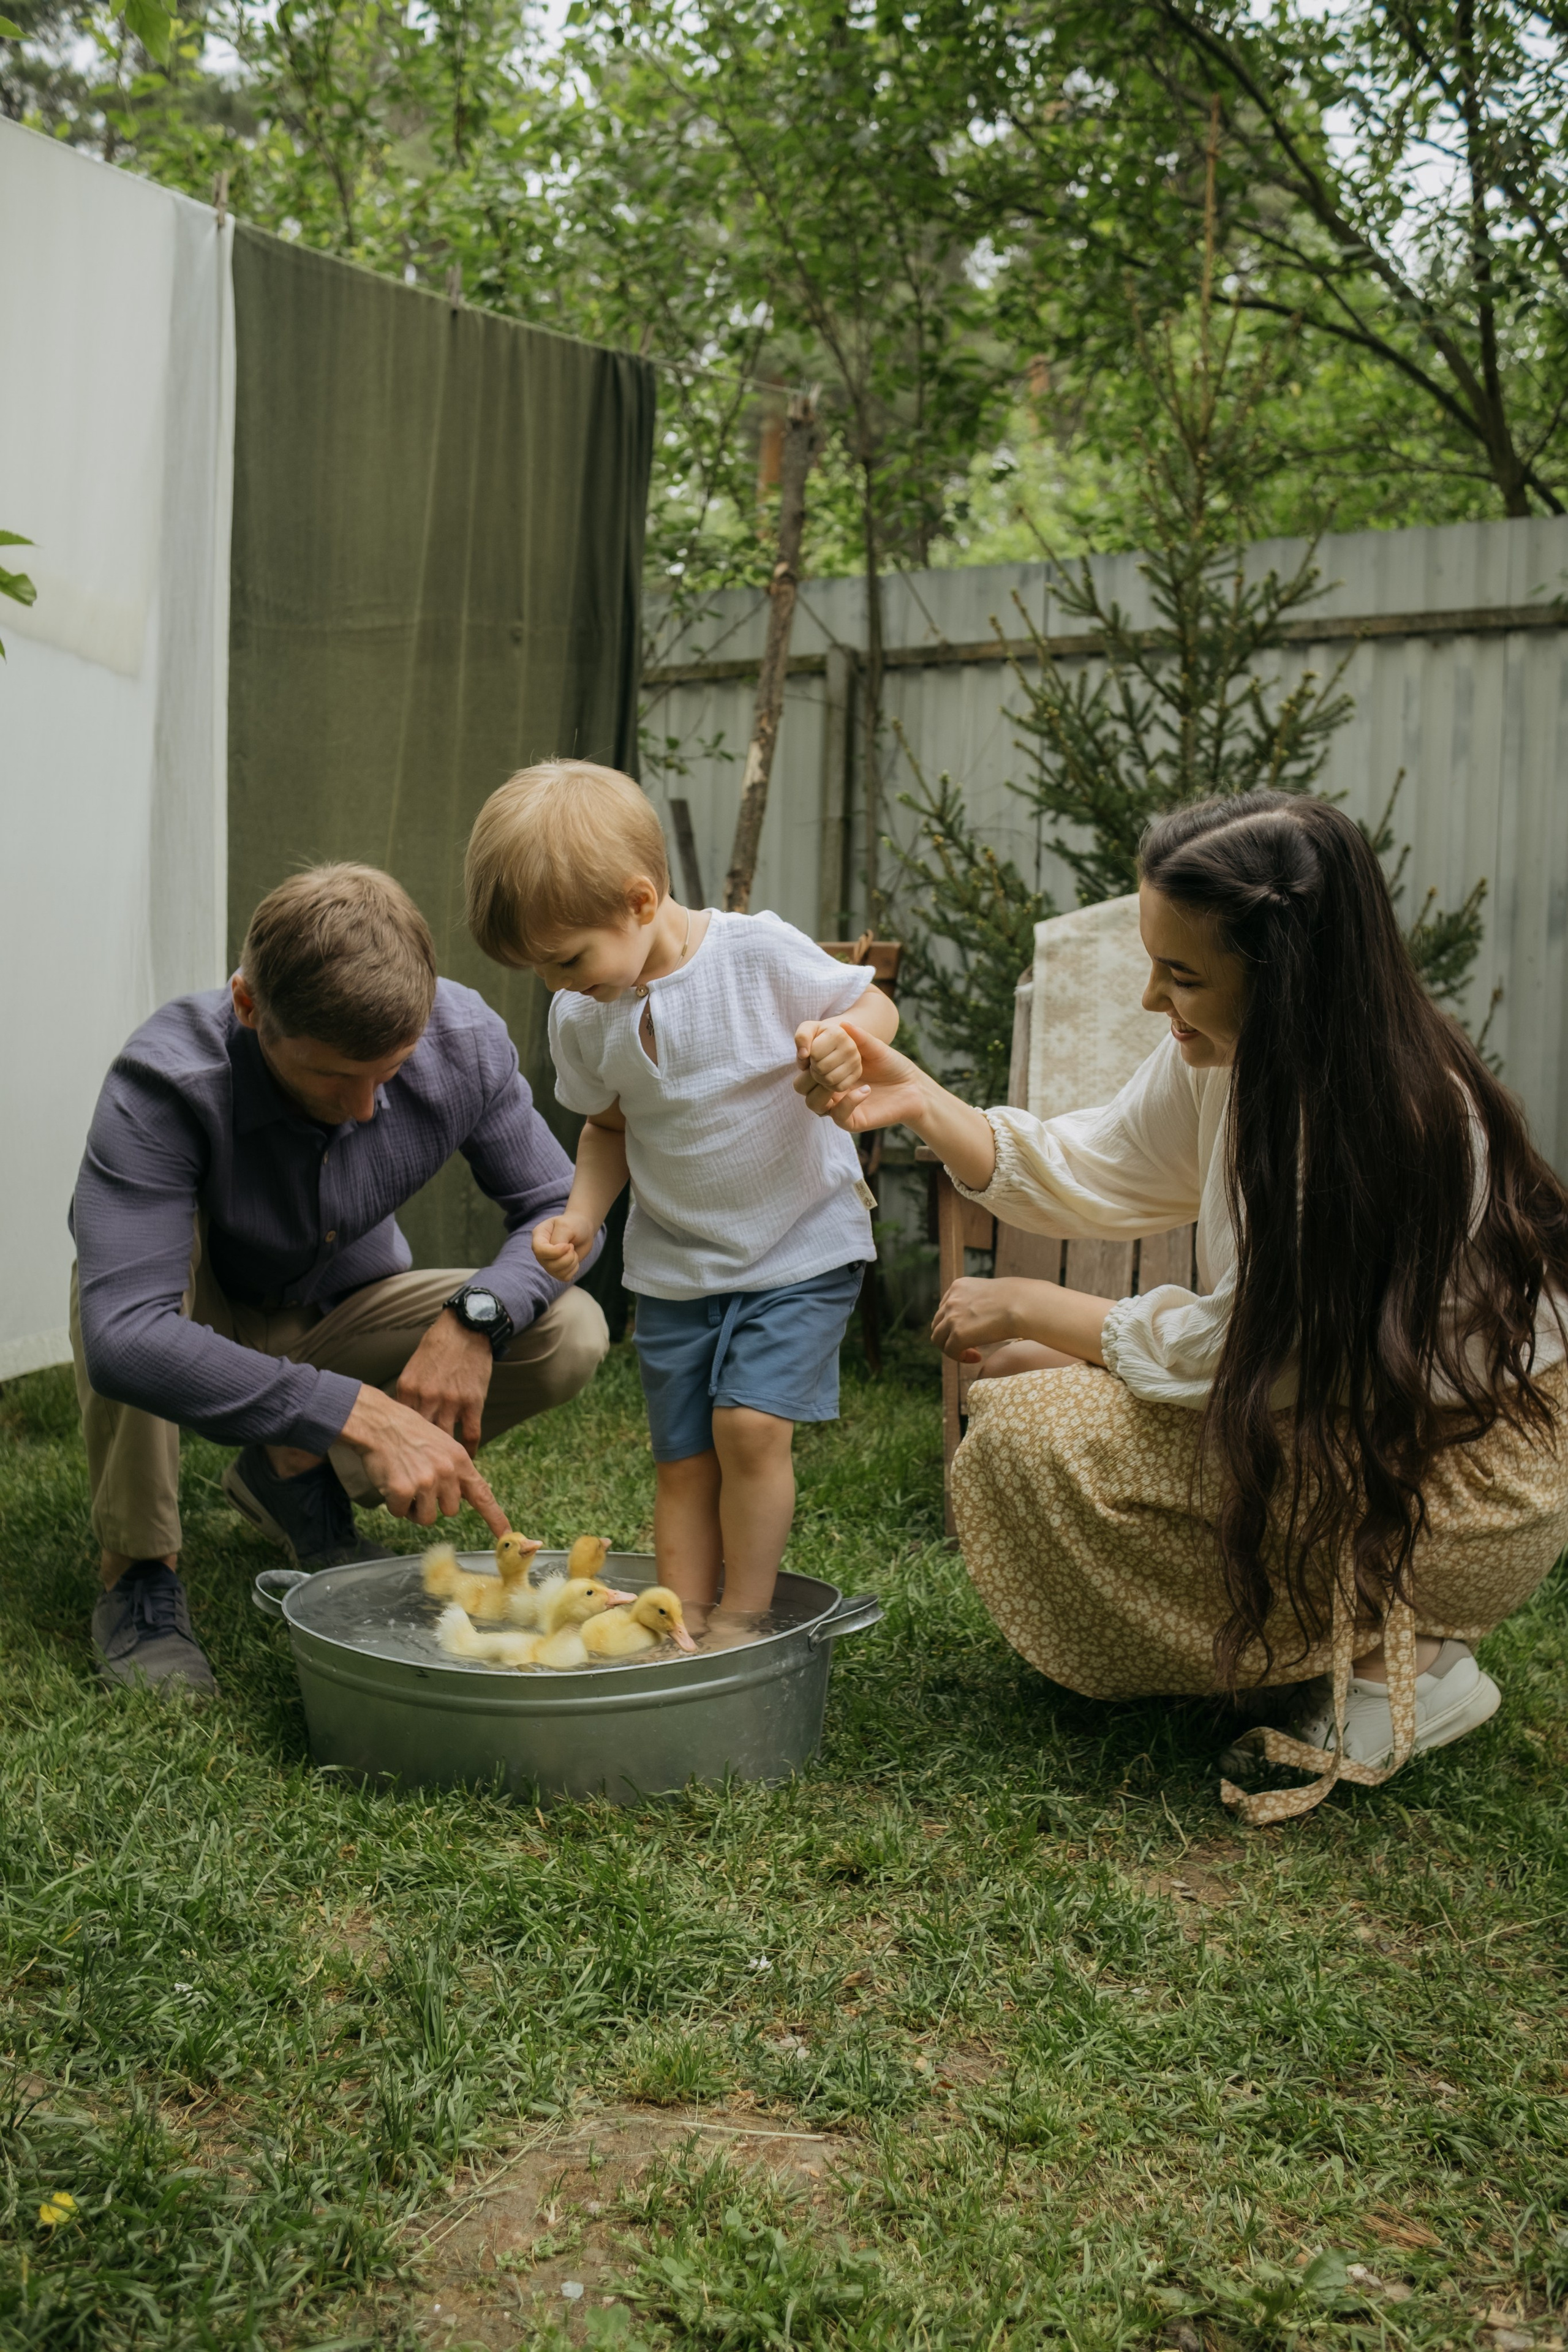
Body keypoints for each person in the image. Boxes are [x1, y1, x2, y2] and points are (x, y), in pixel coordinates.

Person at [804, 790, 1568, 1823]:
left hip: (1460, 1478)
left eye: (1184, 974)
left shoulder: (1381, 1122)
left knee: (1034, 1427)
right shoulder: (1246, 1055)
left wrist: (1037, 1304)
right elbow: (1101, 1166)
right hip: (1361, 1427)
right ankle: (1320, 1640)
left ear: (1287, 974)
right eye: (1153, 962)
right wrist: (926, 1100)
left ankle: (1406, 1657)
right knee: (1026, 1393)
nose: (1153, 999)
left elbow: (1256, 1353)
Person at [71, 864, 610, 1695]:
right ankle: (139, 1569)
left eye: (388, 1074)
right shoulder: (166, 1082)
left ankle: (293, 1478)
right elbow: (123, 1337)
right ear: (250, 1008)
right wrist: (348, 1411)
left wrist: (475, 1318)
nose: (364, 1109)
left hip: (338, 1308)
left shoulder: (460, 1040)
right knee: (116, 1295)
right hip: (195, 1316)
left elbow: (558, 1208)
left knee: (568, 1327)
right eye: (331, 1076)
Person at [462, 760, 900, 1626]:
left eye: (565, 959)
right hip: (675, 1268)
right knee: (684, 1459)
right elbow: (609, 1130)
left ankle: (742, 1618)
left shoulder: (756, 955)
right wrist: (582, 1216)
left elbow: (873, 1005)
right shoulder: (585, 1011)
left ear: (638, 899)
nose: (555, 983)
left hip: (797, 1245)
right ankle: (683, 1622)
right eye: (539, 969)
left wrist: (848, 1041)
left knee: (746, 1430)